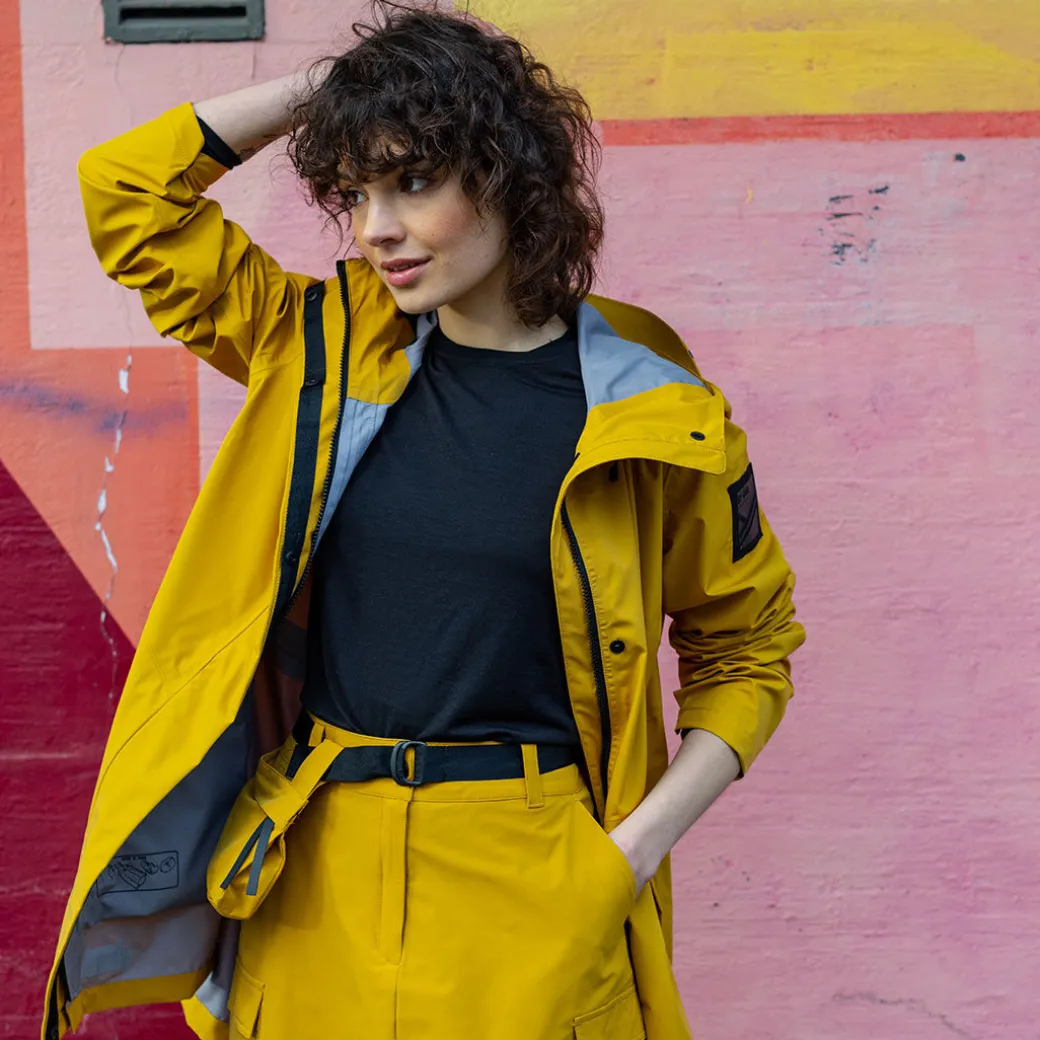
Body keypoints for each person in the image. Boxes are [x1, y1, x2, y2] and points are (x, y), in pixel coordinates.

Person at [43, 3, 805, 1038]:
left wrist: (622, 858)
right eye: (354, 193)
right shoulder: (317, 347)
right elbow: (127, 193)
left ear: (508, 172)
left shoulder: (647, 401)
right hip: (315, 871)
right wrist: (343, 91)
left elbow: (747, 649)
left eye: (412, 181)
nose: (375, 230)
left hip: (532, 870)